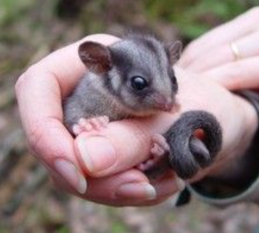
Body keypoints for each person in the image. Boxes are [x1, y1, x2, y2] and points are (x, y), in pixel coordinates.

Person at [15, 7, 259, 207]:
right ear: (100, 65)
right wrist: (82, 125)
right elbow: (71, 118)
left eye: (172, 81)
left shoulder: (169, 101)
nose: (167, 101)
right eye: (140, 84)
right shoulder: (93, 93)